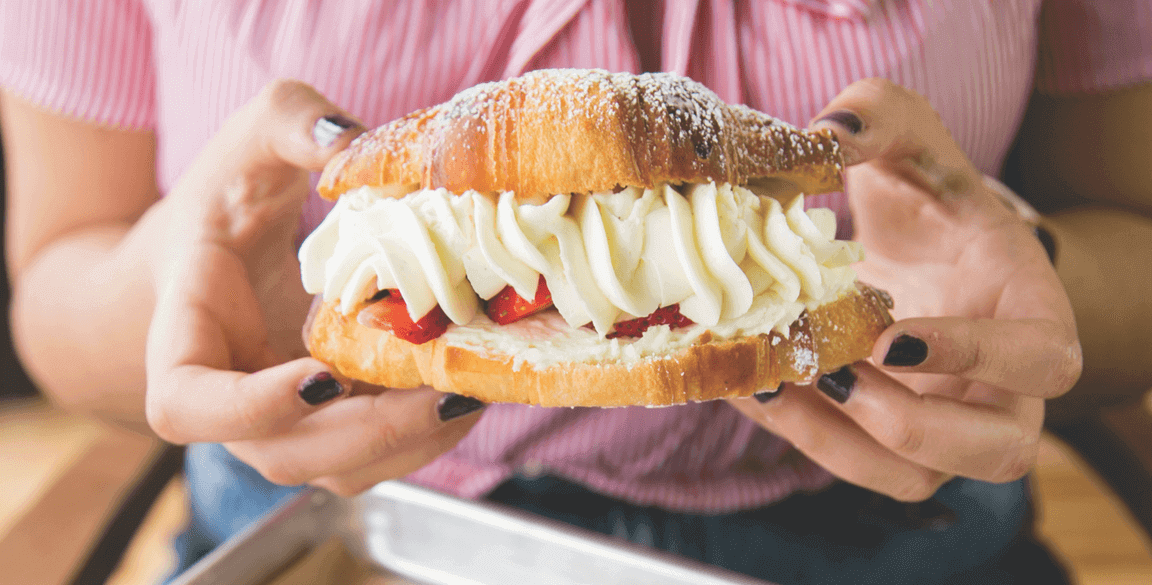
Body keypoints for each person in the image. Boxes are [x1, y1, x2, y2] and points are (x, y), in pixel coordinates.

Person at [1, 1, 1149, 583]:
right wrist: (190, 297)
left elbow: (1133, 245)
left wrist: (1032, 285)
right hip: (335, 540)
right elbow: (57, 283)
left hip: (905, 546)